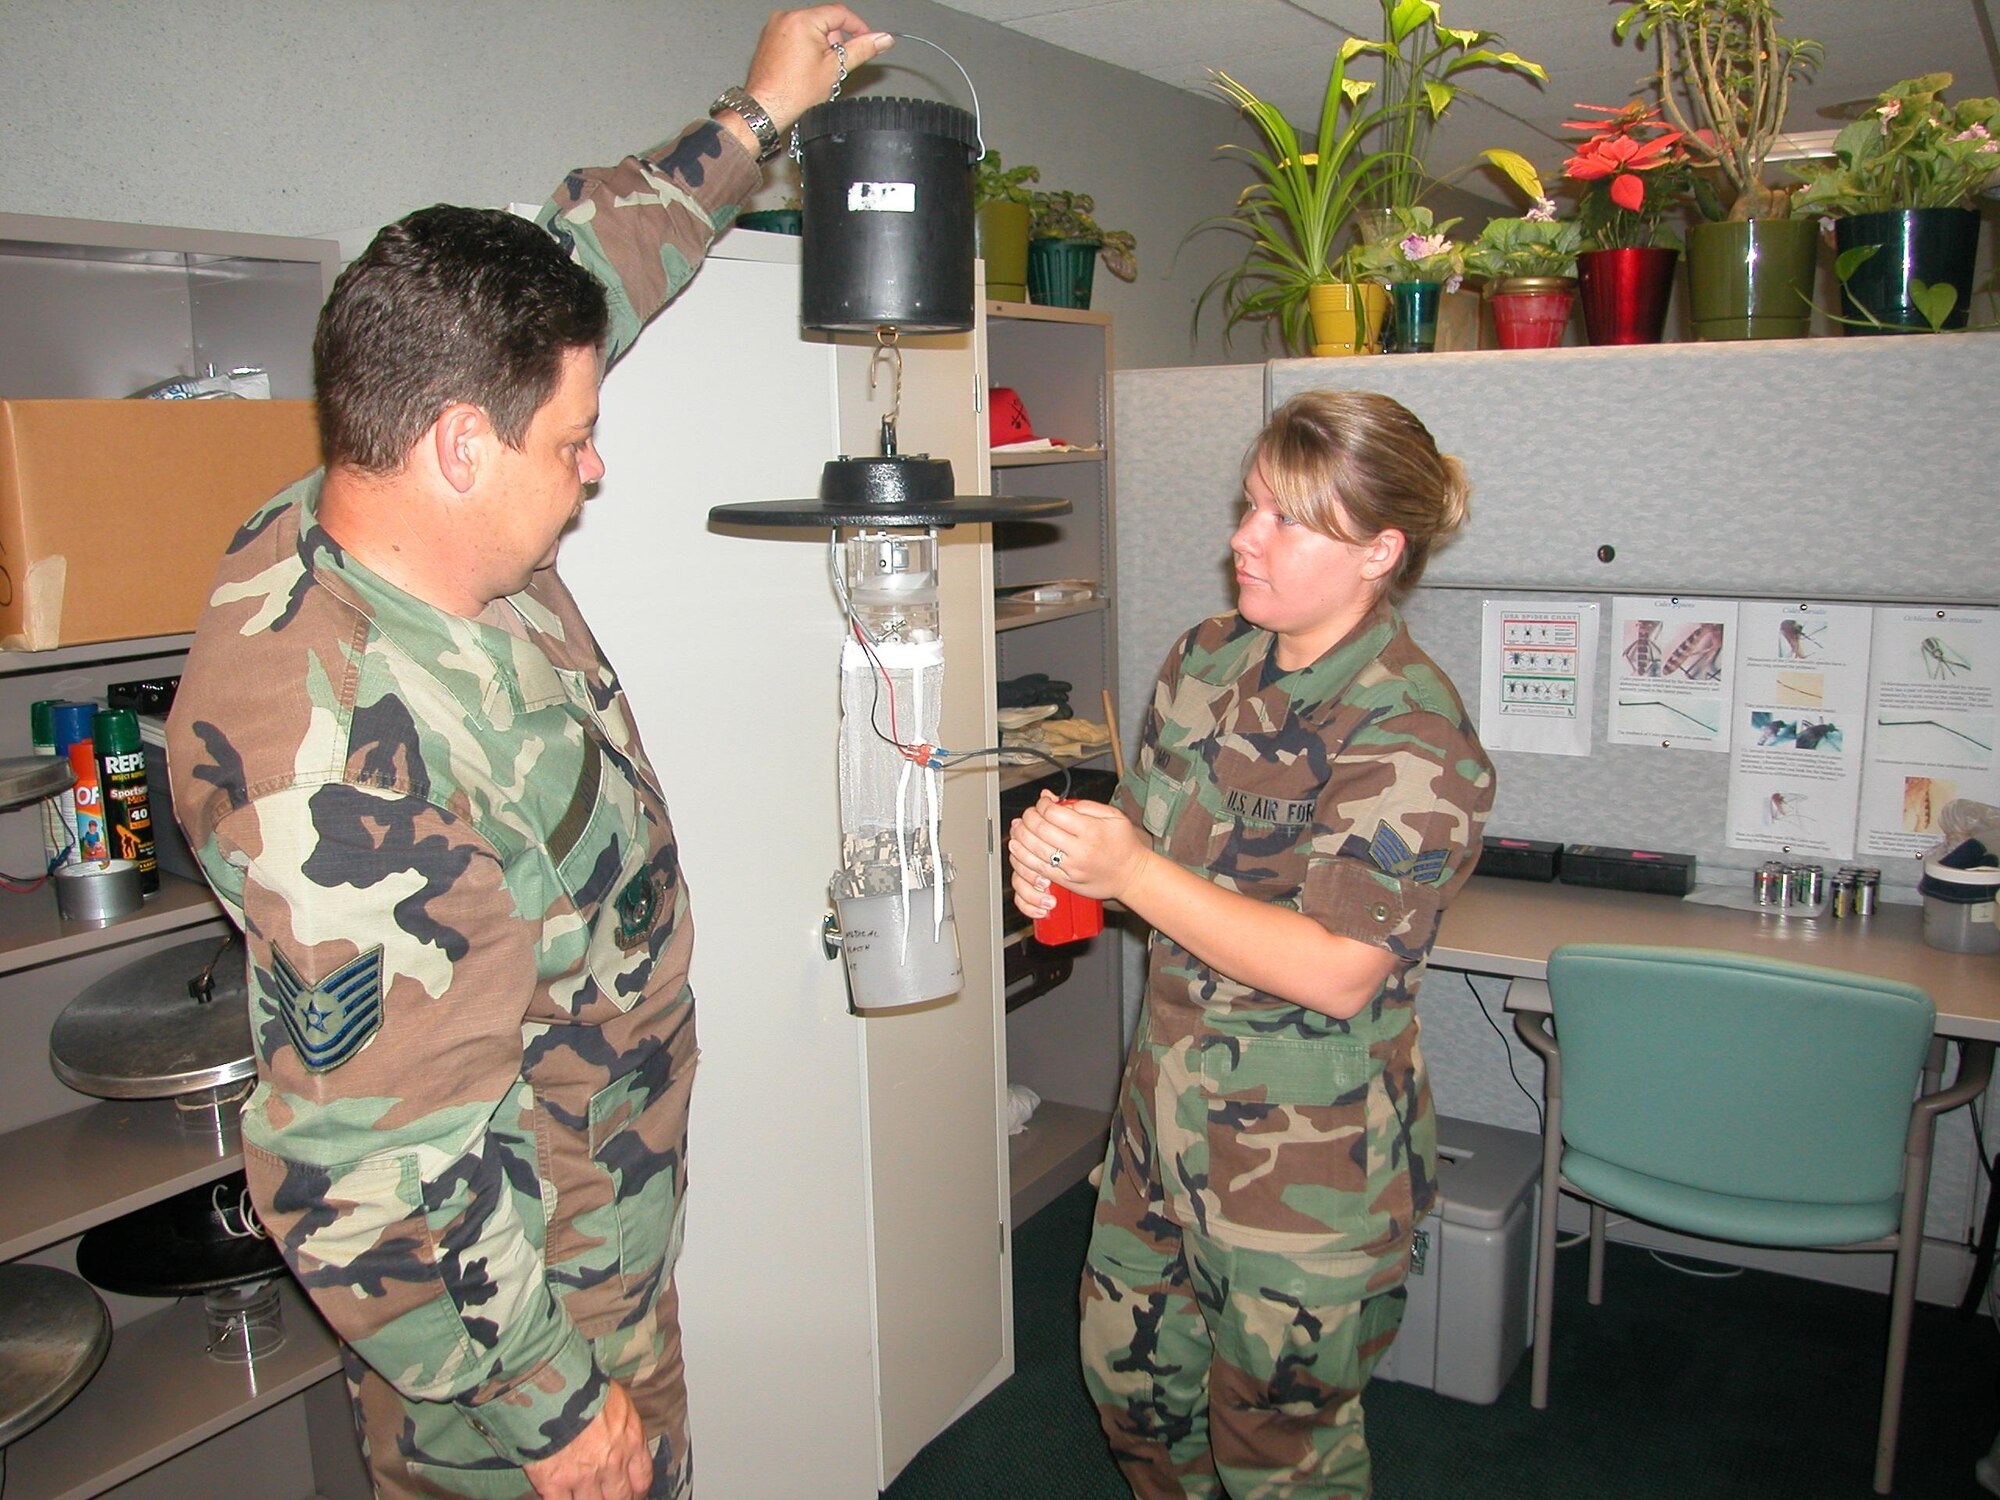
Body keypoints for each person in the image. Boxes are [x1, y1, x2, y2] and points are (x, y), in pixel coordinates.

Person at [164, 11, 890, 1499]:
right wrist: (556, 1411)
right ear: (457, 447)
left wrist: (754, 118)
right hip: (513, 1332)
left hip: (597, 1223)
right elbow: (374, 1166)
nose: (597, 465)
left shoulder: (390, 481)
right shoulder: (343, 764)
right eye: (574, 441)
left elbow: (578, 271)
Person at [1009, 390, 1495, 1499]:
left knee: (1280, 1449)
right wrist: (1067, 864)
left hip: (1305, 1169)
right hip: (1160, 1124)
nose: (1241, 537)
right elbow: (1157, 866)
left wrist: (1131, 869)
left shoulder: (1411, 732)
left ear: (1379, 550)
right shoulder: (1205, 663)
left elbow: (1334, 970)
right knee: (1131, 1394)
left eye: (1285, 519)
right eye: (1248, 506)